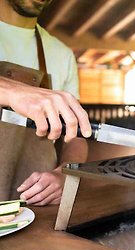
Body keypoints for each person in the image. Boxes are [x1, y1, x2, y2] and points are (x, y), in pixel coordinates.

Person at [0, 0, 90, 206]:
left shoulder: (62, 54)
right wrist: (14, 91)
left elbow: (75, 135)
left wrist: (66, 173)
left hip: (31, 209)